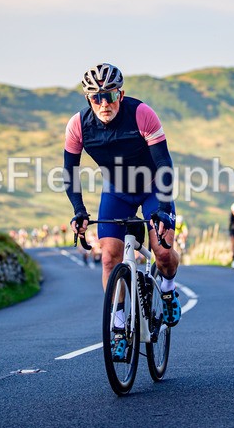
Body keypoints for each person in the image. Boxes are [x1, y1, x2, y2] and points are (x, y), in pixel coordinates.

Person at [64, 63, 181, 360]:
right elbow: (70, 173)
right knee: (109, 257)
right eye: (96, 97)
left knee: (162, 251)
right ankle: (118, 328)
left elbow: (164, 163)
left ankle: (167, 290)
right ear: (88, 99)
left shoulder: (141, 114)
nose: (104, 103)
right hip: (116, 191)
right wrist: (79, 210)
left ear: (121, 93)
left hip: (153, 187)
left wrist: (165, 208)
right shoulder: (78, 125)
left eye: (110, 96)